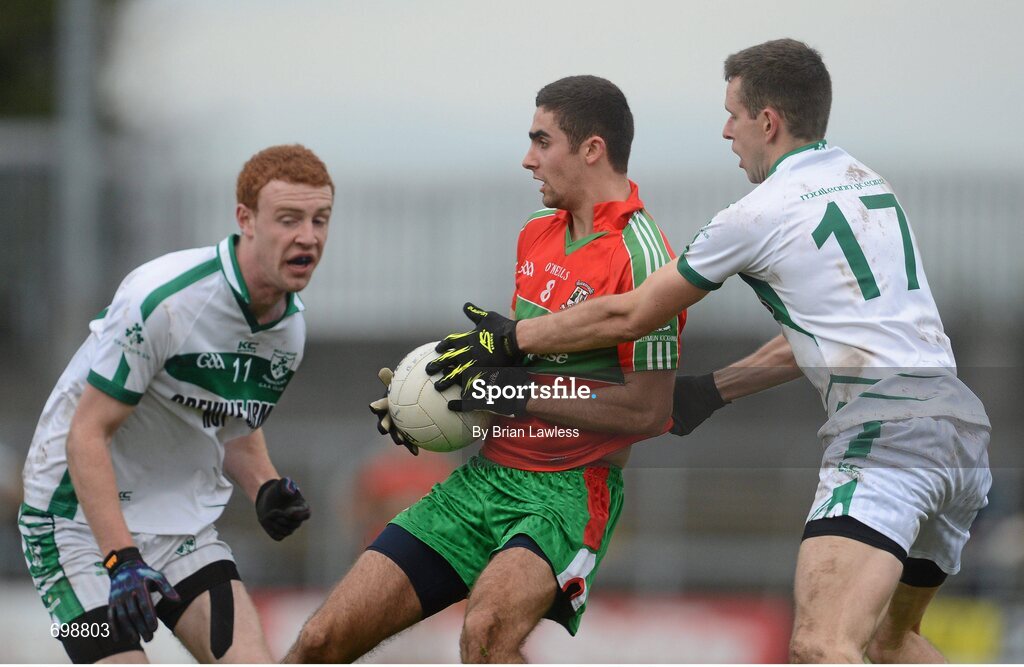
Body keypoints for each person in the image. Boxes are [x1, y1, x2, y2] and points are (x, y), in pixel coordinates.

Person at [430, 40, 992, 663]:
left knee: (819, 643)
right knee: (891, 643)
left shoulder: (757, 213)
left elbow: (631, 312)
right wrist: (715, 389)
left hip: (886, 435)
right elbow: (835, 336)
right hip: (960, 433)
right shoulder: (866, 184)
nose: (726, 132)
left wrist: (509, 339)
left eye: (733, 114)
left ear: (768, 121)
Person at [286, 75, 684, 663]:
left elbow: (650, 411)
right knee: (320, 640)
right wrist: (428, 402)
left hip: (567, 494)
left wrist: (507, 390)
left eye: (542, 141)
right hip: (485, 477)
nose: (528, 159)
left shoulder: (644, 256)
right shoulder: (535, 232)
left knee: (488, 632)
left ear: (591, 149)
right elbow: (514, 358)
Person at [17, 144, 332, 663]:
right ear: (245, 220)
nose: (308, 237)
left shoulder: (289, 329)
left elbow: (229, 422)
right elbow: (86, 434)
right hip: (74, 526)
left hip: (178, 528)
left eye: (320, 220)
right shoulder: (164, 299)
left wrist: (265, 486)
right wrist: (120, 559)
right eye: (289, 219)